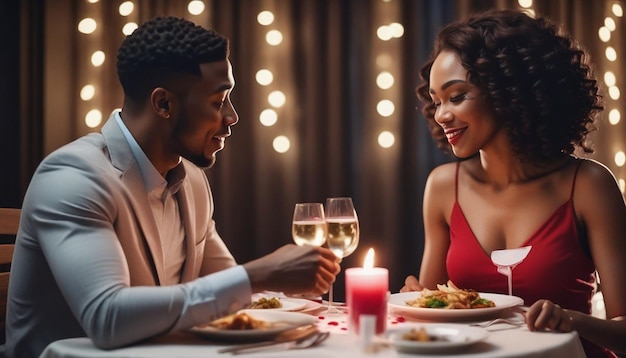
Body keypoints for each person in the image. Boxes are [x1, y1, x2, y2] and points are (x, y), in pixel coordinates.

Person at [5, 16, 340, 358]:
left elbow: (225, 296)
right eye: (218, 101)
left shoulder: (191, 181)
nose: (232, 117)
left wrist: (283, 288)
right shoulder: (73, 176)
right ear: (163, 104)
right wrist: (260, 274)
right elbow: (107, 317)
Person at [400, 9, 626, 357]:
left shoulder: (589, 185)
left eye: (456, 96)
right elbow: (434, 319)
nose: (442, 115)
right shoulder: (443, 187)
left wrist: (571, 320)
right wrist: (419, 300)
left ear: (508, 90)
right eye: (436, 101)